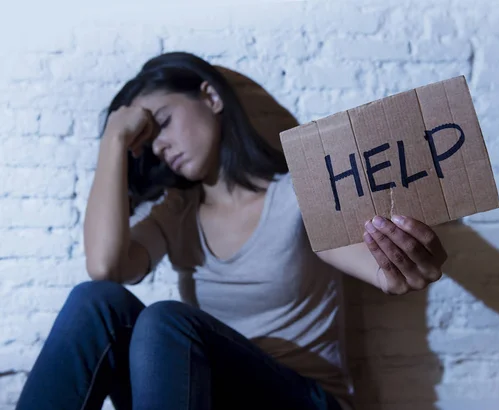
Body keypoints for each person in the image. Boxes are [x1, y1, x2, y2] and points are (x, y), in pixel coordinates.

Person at [15, 52, 447, 410]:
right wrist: (113, 139)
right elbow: (104, 267)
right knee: (96, 303)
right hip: (201, 396)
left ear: (211, 97)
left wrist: (398, 267)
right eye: (146, 142)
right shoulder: (176, 214)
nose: (160, 146)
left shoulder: (297, 192)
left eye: (161, 121)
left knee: (166, 322)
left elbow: (371, 263)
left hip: (303, 400)